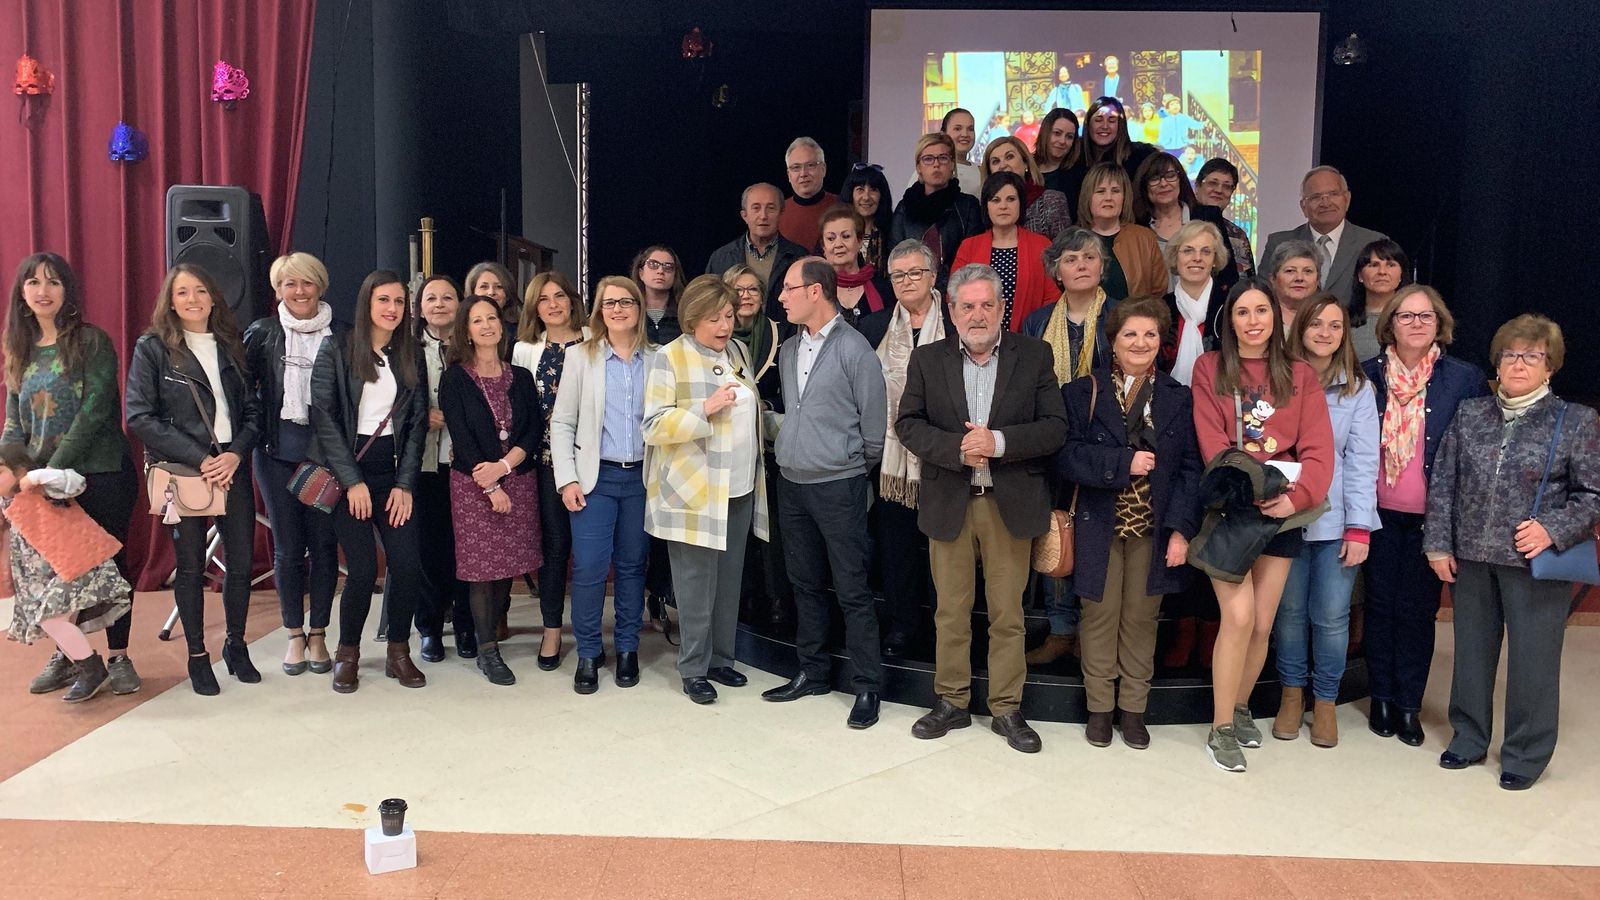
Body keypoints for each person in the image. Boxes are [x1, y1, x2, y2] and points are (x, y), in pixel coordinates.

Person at [897, 263, 1067, 753]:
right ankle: (951, 701)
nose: (977, 315)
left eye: (986, 305)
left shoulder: (1034, 355)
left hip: (1007, 504)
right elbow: (908, 424)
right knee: (950, 611)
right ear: (951, 311)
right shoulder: (928, 359)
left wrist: (997, 442)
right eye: (967, 306)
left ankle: (1006, 708)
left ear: (1001, 309)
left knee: (1007, 614)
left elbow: (1054, 427)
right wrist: (958, 449)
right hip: (951, 499)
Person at [1426, 315, 1600, 791]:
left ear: (1550, 367)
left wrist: (1551, 528)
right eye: (1510, 354)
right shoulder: (1471, 414)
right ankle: (1468, 737)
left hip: (1534, 562)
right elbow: (1443, 482)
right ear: (1497, 362)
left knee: (1534, 664)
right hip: (1473, 557)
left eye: (1532, 356)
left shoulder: (1576, 420)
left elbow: (1592, 494)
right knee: (1472, 657)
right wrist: (1439, 543)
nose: (1519, 364)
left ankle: (1525, 753)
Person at [1190, 277, 1334, 772]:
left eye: (1262, 311)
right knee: (1239, 617)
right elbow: (1213, 443)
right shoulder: (1210, 368)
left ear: (1276, 317)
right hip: (1233, 508)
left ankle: (1242, 706)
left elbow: (1318, 447)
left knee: (1264, 624)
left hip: (1284, 513)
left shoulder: (1300, 374)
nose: (1253, 321)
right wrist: (1258, 488)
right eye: (1242, 312)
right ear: (1229, 320)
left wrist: (1295, 499)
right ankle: (1220, 727)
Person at [1057, 296, 1201, 749]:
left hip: (1154, 531)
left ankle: (1134, 709)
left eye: (1150, 334)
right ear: (1112, 342)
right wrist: (1123, 463)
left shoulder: (1179, 397)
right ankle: (1100, 708)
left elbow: (1191, 470)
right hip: (1100, 524)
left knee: (1142, 620)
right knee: (1098, 617)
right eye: (1130, 335)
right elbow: (1066, 457)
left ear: (1162, 342)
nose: (1140, 343)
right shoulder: (1083, 392)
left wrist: (1181, 529)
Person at [4, 253, 142, 697]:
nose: (43, 290)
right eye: (34, 283)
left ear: (68, 292)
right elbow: (13, 423)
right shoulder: (17, 351)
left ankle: (119, 657)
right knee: (57, 573)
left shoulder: (91, 342)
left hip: (101, 471)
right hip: (42, 482)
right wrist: (14, 471)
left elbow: (96, 410)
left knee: (108, 567)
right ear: (22, 294)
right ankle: (71, 656)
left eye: (53, 282)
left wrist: (51, 469)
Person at [760, 258, 887, 729]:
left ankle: (868, 686)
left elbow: (874, 430)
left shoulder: (856, 350)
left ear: (816, 291)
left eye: (790, 288)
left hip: (839, 485)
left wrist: (846, 464)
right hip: (791, 483)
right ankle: (812, 672)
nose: (782, 297)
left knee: (852, 588)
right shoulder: (790, 349)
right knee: (804, 583)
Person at [126, 264, 263, 696]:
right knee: (189, 568)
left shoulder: (230, 342)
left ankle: (236, 647)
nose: (192, 298)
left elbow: (253, 410)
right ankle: (198, 656)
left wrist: (236, 453)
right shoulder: (154, 348)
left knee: (239, 563)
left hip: (231, 468)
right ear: (170, 300)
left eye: (200, 290)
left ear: (213, 298)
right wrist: (201, 457)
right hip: (186, 471)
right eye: (182, 292)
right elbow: (139, 416)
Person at [1360, 284, 1487, 746]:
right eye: (1405, 315)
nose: (1415, 323)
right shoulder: (1366, 374)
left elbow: (1471, 456)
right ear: (1389, 323)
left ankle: (1409, 703)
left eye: (1426, 316)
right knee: (1378, 608)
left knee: (1417, 613)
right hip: (1374, 516)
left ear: (1440, 324)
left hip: (1431, 523)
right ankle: (1382, 698)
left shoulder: (1464, 379)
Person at [642, 276, 770, 704]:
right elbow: (654, 425)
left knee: (729, 579)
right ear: (692, 318)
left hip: (738, 486)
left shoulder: (736, 352)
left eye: (729, 316)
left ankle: (721, 660)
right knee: (696, 583)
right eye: (714, 318)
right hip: (692, 492)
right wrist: (704, 408)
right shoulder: (669, 357)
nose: (724, 326)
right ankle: (693, 668)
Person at [307, 270, 429, 694]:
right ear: (367, 304)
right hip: (348, 476)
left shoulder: (410, 353)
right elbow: (324, 419)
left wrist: (406, 484)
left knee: (408, 565)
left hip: (393, 475)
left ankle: (398, 651)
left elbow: (415, 427)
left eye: (399, 301)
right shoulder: (336, 349)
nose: (392, 309)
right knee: (360, 571)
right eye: (384, 300)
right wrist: (352, 481)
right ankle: (348, 653)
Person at [1272, 295, 1380, 748]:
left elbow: (1361, 462)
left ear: (1344, 334)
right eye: (1316, 323)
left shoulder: (1357, 388)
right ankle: (1292, 695)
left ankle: (1326, 702)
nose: (1324, 333)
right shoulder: (1278, 380)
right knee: (1289, 614)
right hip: (1283, 518)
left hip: (1336, 521)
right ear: (1301, 328)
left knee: (1331, 617)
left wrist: (1359, 526)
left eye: (1334, 326)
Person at [549, 276, 656, 695]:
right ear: (598, 310)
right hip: (596, 479)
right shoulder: (580, 357)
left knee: (632, 565)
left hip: (643, 478)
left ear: (639, 307)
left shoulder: (659, 358)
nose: (617, 309)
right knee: (591, 567)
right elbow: (561, 422)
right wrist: (567, 479)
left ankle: (627, 647)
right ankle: (589, 652)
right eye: (608, 303)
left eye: (626, 301)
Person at [243, 252, 347, 675]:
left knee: (323, 547)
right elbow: (245, 395)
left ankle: (319, 633)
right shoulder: (262, 334)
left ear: (320, 286)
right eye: (290, 284)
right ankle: (294, 635)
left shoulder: (341, 336)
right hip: (274, 456)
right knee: (287, 549)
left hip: (324, 458)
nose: (299, 291)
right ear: (277, 289)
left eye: (307, 283)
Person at [1019, 226, 1118, 663]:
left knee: (1097, 538)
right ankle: (1060, 631)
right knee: (1055, 532)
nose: (1081, 265)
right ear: (1056, 270)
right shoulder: (1037, 322)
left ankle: (1092, 637)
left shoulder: (1119, 315)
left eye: (1089, 258)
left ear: (1102, 267)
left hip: (1104, 446)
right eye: (1071, 259)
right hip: (1049, 443)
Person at [440, 297, 542, 686]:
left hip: (517, 477)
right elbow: (463, 440)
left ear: (502, 325)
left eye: (492, 319)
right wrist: (492, 483)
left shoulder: (521, 376)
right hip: (473, 484)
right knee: (481, 570)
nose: (486, 326)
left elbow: (532, 432)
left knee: (507, 566)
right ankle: (487, 652)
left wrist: (505, 467)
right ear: (465, 330)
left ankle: (493, 632)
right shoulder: (456, 378)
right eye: (476, 321)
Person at [865, 241, 949, 657]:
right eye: (898, 275)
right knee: (896, 547)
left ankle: (943, 632)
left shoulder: (956, 320)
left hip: (947, 456)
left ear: (933, 277)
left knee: (943, 551)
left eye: (915, 273)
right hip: (890, 460)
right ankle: (902, 625)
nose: (907, 281)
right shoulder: (874, 326)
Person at [1, 444, 132, 702]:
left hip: (74, 565)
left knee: (52, 618)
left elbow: (75, 482)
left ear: (20, 470)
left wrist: (37, 476)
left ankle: (92, 669)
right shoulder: (4, 503)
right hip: (42, 578)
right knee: (57, 622)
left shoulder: (43, 488)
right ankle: (78, 664)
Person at [511, 271, 590, 670]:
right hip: (544, 464)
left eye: (560, 295)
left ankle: (591, 631)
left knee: (591, 550)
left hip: (591, 461)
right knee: (555, 548)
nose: (554, 304)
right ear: (534, 308)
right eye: (544, 299)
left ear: (572, 300)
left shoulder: (596, 339)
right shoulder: (525, 349)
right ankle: (552, 629)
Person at [405, 274, 470, 660]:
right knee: (429, 548)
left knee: (465, 547)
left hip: (465, 462)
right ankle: (429, 627)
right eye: (432, 298)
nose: (440, 304)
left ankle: (465, 625)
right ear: (420, 306)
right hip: (424, 461)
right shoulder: (406, 349)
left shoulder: (471, 346)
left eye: (448, 297)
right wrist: (419, 415)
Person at [1262, 166, 1387, 307]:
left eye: (1333, 194)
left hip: (1356, 327)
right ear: (1303, 207)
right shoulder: (1278, 243)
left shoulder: (1372, 242)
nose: (1326, 203)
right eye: (1316, 197)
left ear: (1347, 199)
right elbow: (1263, 295)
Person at [950, 172, 1056, 331]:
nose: (1003, 206)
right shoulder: (969, 246)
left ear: (1021, 203)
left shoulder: (1042, 245)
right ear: (986, 205)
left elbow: (1052, 299)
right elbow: (954, 297)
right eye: (996, 200)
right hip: (977, 339)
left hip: (1029, 341)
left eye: (1011, 199)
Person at [1131, 152, 1239, 298]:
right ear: (1144, 186)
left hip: (1206, 311)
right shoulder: (1137, 227)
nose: (1164, 183)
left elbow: (1228, 275)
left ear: (1180, 179)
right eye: (1155, 178)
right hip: (1155, 312)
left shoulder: (1207, 216)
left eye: (1170, 176)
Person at [888, 133, 984, 290]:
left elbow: (973, 258)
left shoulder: (968, 206)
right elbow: (895, 257)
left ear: (952, 164)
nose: (936, 164)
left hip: (957, 292)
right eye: (928, 159)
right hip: (912, 291)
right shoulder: (904, 209)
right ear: (919, 167)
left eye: (943, 158)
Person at [704, 182, 808, 322]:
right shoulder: (721, 258)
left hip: (784, 339)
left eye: (770, 208)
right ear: (744, 215)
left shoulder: (799, 258)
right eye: (756, 208)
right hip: (731, 339)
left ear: (781, 213)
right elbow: (708, 305)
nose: (763, 215)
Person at [1078, 162, 1167, 301]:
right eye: (1100, 191)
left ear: (1124, 197)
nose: (1108, 197)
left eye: (1115, 191)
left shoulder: (1144, 238)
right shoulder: (1072, 241)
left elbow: (1158, 292)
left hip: (1135, 320)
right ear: (1088, 197)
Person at [1161, 221, 1232, 386]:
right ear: (1175, 257)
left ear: (1215, 259)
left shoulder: (1231, 305)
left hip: (1222, 400)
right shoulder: (1161, 309)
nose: (1197, 258)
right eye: (1188, 251)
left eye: (1206, 252)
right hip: (1169, 403)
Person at [1070, 97, 1158, 211]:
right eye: (1098, 120)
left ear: (1120, 125)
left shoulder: (1142, 157)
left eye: (1112, 120)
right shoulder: (1073, 156)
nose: (1105, 126)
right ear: (1088, 123)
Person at [982, 135, 1072, 238]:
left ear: (1025, 163)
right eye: (995, 161)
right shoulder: (986, 206)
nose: (1002, 165)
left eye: (1009, 157)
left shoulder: (1052, 200)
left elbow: (1064, 249)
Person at [819, 204, 893, 328]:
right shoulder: (815, 290)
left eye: (846, 236)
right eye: (831, 238)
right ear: (823, 247)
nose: (838, 244)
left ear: (859, 241)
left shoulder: (883, 288)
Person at [1347, 239, 1412, 363]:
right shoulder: (1342, 319)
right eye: (1374, 265)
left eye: (1390, 265)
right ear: (1360, 275)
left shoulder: (1415, 319)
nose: (1382, 272)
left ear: (1401, 275)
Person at [1193, 159, 1257, 280]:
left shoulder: (1237, 235)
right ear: (1197, 186)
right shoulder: (1181, 225)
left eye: (1227, 186)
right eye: (1212, 183)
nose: (1219, 190)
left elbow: (1247, 282)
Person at [778, 137, 838, 248]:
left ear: (823, 169)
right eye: (796, 168)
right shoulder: (778, 212)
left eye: (810, 165)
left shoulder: (842, 206)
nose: (803, 174)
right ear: (789, 175)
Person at [839, 163, 895, 271]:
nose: (866, 197)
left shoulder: (892, 232)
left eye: (873, 190)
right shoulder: (836, 231)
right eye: (860, 189)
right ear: (850, 194)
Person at [632, 245, 686, 346]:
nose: (660, 271)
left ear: (675, 275)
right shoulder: (630, 310)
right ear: (641, 273)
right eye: (653, 264)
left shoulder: (685, 312)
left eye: (668, 267)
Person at [1264, 239, 1321, 332]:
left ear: (1318, 279)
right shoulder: (1261, 318)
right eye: (1290, 271)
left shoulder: (1328, 316)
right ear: (1273, 279)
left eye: (1308, 271)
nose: (1299, 278)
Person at [465, 261, 520, 340]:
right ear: (472, 292)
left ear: (508, 294)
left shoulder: (520, 334)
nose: (491, 292)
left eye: (499, 287)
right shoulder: (460, 330)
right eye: (484, 286)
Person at [1034, 108, 1082, 198]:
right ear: (1045, 133)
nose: (1062, 141)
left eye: (1069, 137)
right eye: (1057, 133)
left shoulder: (1079, 175)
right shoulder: (1027, 170)